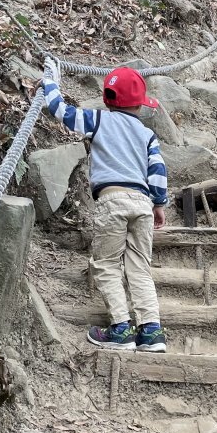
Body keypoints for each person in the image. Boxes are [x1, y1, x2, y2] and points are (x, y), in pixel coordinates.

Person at [40, 57, 168, 353]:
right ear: (138, 105)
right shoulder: (148, 135)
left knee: (108, 263)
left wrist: (50, 82)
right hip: (142, 204)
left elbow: (62, 112)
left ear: (108, 101)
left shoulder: (98, 119)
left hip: (112, 201)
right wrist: (158, 204)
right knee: (140, 267)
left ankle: (121, 328)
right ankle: (151, 332)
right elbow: (158, 172)